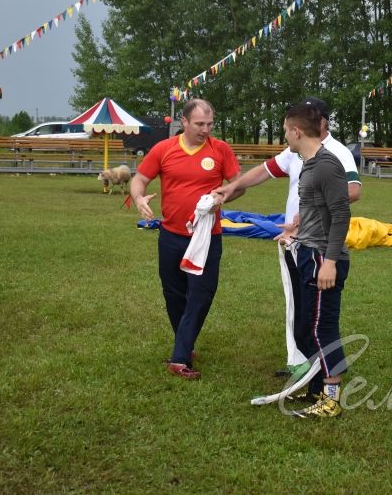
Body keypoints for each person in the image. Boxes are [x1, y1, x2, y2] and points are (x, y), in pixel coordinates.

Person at [211, 97, 361, 380]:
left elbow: (347, 198)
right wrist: (232, 187)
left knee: (320, 323)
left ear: (305, 127)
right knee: (302, 314)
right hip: (297, 242)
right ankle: (307, 373)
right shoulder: (299, 153)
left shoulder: (332, 157)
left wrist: (308, 221)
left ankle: (327, 387)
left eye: (288, 127)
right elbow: (266, 171)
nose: (285, 133)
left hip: (319, 247)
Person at [129, 98, 242, 380]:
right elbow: (140, 178)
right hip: (171, 236)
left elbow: (237, 185)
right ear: (185, 122)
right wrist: (138, 197)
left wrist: (222, 195)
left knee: (201, 295)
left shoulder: (220, 150)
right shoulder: (164, 149)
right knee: (174, 294)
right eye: (200, 124)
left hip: (206, 238)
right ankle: (186, 344)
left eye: (210, 124)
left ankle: (179, 357)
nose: (206, 129)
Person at [284, 101, 352, 418]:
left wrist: (330, 261)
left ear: (297, 131)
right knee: (305, 328)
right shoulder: (308, 164)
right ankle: (316, 390)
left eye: (286, 130)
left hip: (324, 257)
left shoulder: (326, 164)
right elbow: (317, 210)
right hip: (309, 251)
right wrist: (296, 231)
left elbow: (340, 216)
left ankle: (332, 400)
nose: (284, 136)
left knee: (323, 329)